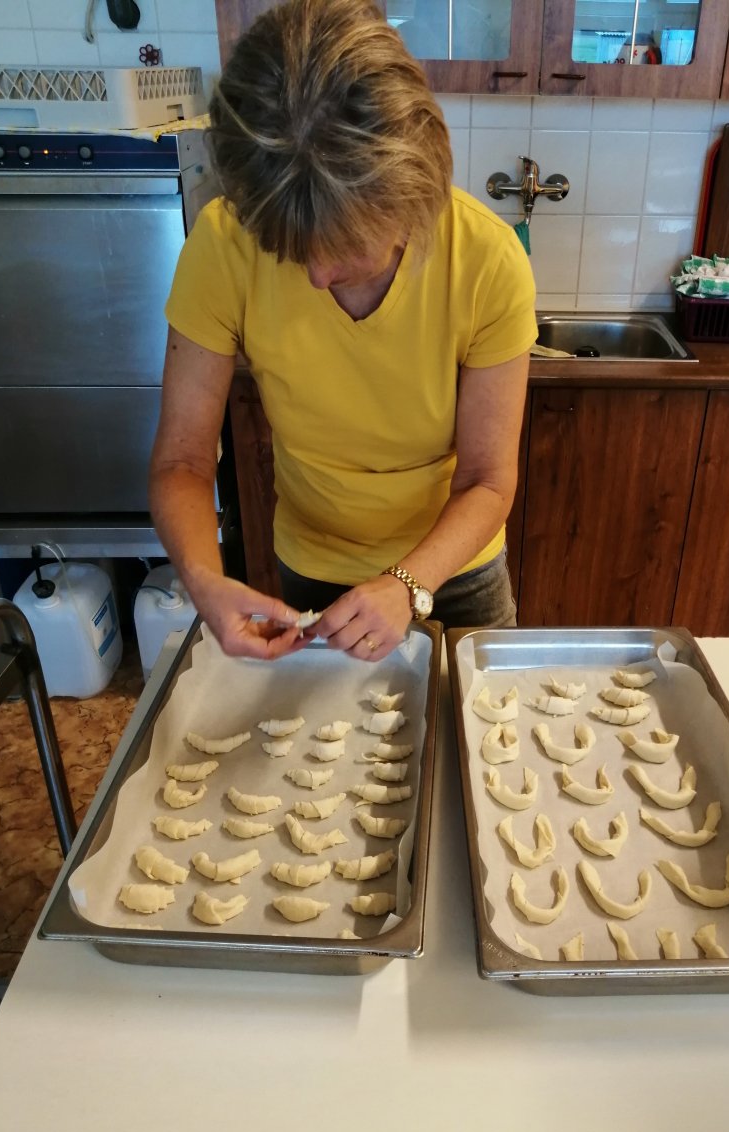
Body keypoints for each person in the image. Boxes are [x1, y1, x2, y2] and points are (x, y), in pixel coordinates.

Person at [149, 0, 536, 665]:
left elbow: (487, 479)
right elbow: (182, 460)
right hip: (313, 568)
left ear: (411, 194)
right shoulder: (221, 245)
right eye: (290, 249)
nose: (317, 277)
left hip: (456, 572)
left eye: (348, 248)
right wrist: (204, 579)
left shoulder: (487, 261)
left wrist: (408, 584)